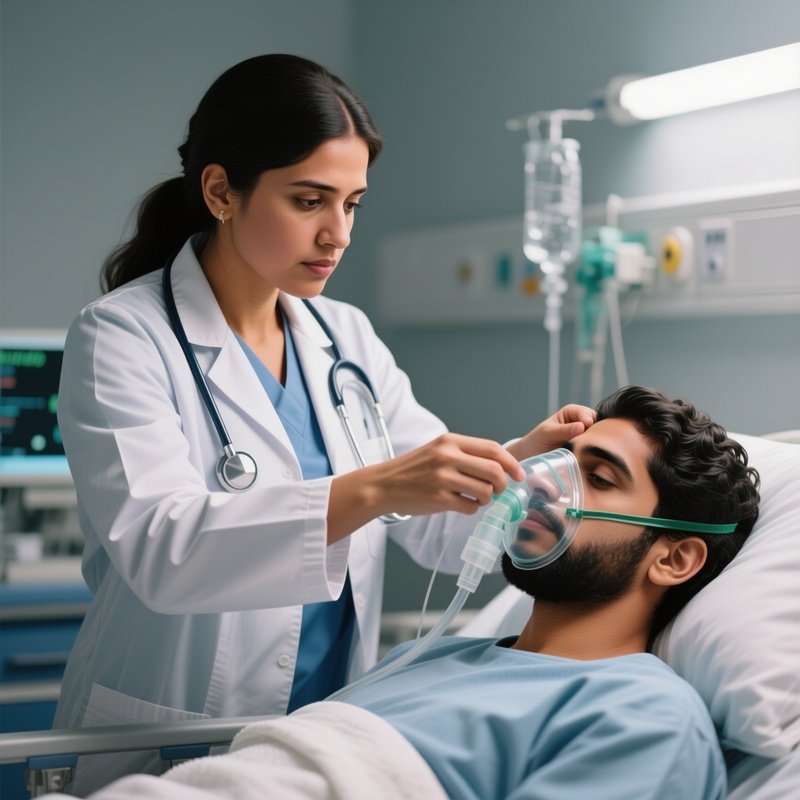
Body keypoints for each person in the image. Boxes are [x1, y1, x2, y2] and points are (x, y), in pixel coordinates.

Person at [53, 53, 595, 794]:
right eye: (309, 201)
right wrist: (373, 490)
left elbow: (433, 522)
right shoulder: (121, 335)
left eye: (352, 204)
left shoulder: (344, 337)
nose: (338, 234)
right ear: (221, 191)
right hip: (166, 739)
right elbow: (163, 551)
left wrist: (520, 467)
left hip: (320, 746)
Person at [42, 385, 760, 800]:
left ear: (675, 557)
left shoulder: (644, 715)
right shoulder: (440, 655)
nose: (541, 484)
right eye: (558, 461)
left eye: (597, 478)